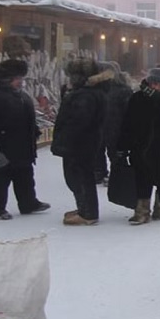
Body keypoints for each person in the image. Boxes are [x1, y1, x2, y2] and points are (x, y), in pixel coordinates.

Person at [0, 59, 50, 220]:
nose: (21, 82)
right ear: (7, 79)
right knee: (0, 177)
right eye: (18, 79)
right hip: (2, 146)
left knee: (25, 175)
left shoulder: (22, 96)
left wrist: (34, 131)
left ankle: (28, 202)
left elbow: (27, 118)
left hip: (22, 146)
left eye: (21, 79)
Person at [118, 68, 160, 225]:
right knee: (141, 178)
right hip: (141, 146)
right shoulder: (138, 97)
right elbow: (127, 122)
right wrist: (122, 146)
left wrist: (158, 99)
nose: (156, 87)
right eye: (154, 83)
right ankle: (141, 211)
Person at [51, 59, 108, 225]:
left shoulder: (86, 96)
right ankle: (84, 208)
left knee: (79, 177)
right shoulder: (90, 92)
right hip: (85, 142)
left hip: (80, 143)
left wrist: (65, 141)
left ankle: (88, 213)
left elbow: (78, 121)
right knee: (80, 176)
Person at [93, 62, 133, 186]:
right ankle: (99, 173)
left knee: (115, 154)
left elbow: (129, 111)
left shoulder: (123, 89)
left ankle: (117, 176)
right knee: (98, 152)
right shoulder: (96, 89)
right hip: (99, 127)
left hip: (116, 128)